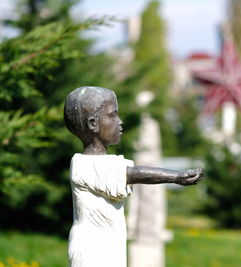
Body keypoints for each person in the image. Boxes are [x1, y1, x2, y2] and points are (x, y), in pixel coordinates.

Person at [64, 86, 204, 267]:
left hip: (108, 247)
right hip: (93, 251)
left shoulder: (100, 162)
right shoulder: (84, 165)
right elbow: (132, 174)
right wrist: (175, 177)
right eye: (113, 116)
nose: (120, 122)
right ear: (93, 124)